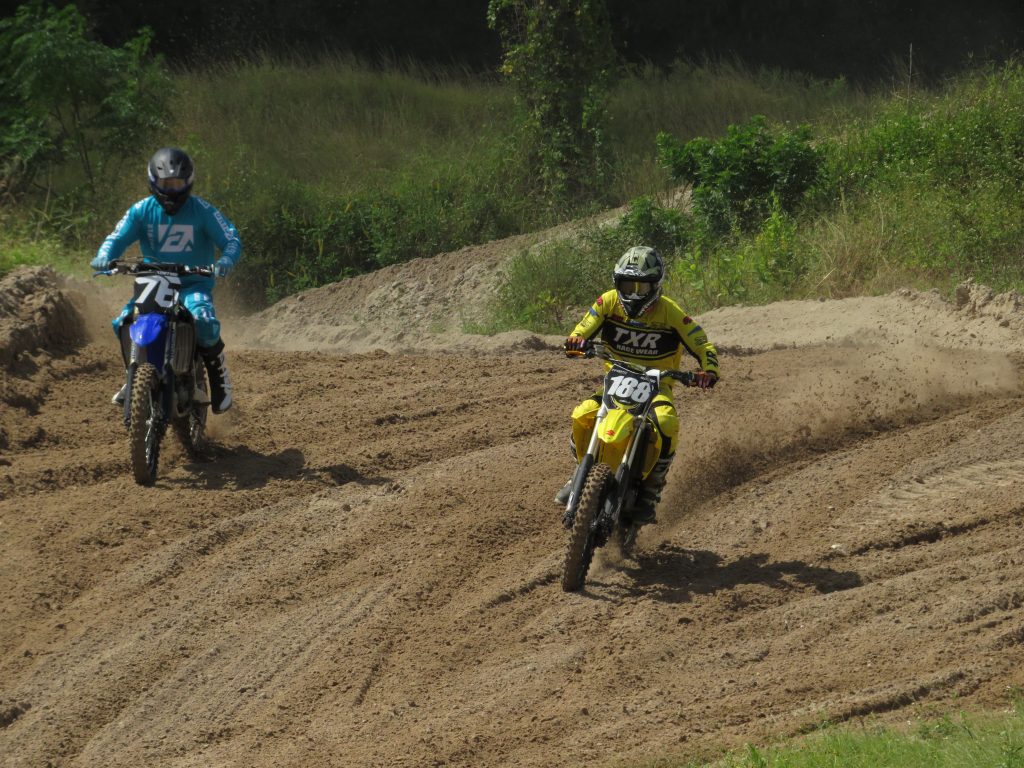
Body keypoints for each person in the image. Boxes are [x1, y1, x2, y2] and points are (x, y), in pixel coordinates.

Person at [555, 245, 719, 525]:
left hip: (657, 388)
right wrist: (576, 341)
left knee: (666, 423)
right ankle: (580, 473)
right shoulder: (607, 302)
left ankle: (650, 492)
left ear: (655, 286)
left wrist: (708, 369)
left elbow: (702, 344)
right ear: (616, 283)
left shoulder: (671, 313)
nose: (633, 293)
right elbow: (583, 327)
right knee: (583, 414)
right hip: (615, 382)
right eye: (627, 285)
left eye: (640, 287)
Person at [91, 147, 241, 414]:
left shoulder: (203, 211)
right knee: (123, 322)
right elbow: (116, 238)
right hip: (154, 281)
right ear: (153, 182)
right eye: (165, 183)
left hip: (194, 283)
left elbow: (230, 237)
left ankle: (219, 379)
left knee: (204, 322)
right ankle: (134, 375)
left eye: (177, 183)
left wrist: (227, 260)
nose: (171, 190)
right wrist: (104, 257)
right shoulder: (141, 210)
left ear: (189, 182)